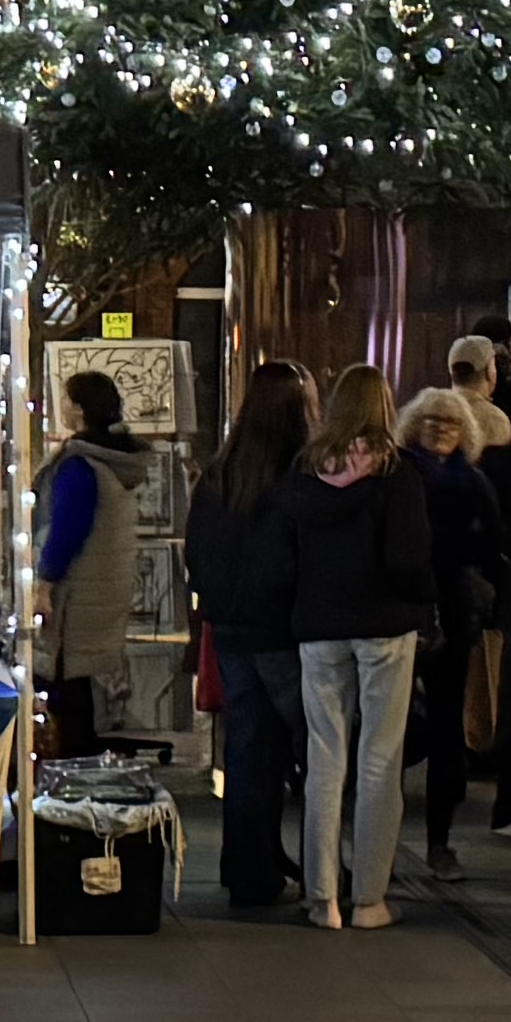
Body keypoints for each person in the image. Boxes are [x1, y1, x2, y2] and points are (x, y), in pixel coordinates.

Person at [278, 363, 440, 930]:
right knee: (379, 759)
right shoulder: (397, 474)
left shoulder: (303, 472)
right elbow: (408, 556)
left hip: (318, 626)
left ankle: (322, 896)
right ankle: (369, 898)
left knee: (324, 758)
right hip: (385, 626)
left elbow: (289, 551)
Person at [190, 366, 313, 913]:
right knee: (315, 751)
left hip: (233, 630)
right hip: (284, 632)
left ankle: (247, 868)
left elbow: (198, 555)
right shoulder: (298, 476)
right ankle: (313, 867)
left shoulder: (219, 475)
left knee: (246, 751)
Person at [400, 389, 510, 877]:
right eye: (431, 421)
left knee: (447, 729)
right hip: (404, 611)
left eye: (450, 423)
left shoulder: (475, 483)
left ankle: (439, 843)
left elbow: (494, 547)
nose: (441, 429)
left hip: (455, 613)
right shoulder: (399, 475)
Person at [37, 370, 145, 758]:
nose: (61, 406)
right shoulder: (116, 459)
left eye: (65, 399)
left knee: (67, 682)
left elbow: (66, 530)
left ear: (78, 409)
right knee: (82, 681)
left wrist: (45, 583)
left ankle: (71, 766)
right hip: (104, 584)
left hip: (78, 590)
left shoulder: (81, 464)